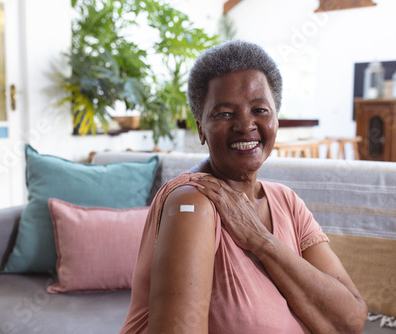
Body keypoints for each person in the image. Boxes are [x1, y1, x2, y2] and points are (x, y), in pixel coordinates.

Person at [119, 40, 367, 333]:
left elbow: (351, 320)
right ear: (200, 128)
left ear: (276, 119)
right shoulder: (193, 203)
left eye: (260, 109)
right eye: (224, 114)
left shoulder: (286, 201)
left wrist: (262, 241)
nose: (245, 125)